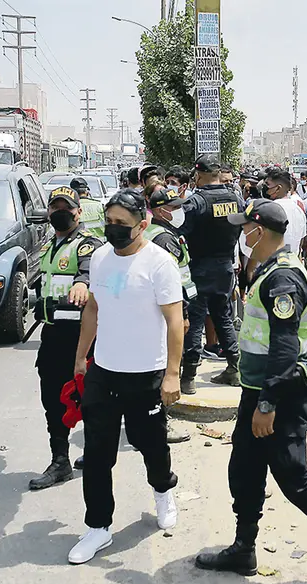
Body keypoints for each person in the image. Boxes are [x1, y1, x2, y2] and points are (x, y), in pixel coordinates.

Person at [194, 199, 307, 579]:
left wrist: (268, 402)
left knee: (292, 474)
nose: (240, 234)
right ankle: (244, 548)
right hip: (258, 387)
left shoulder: (283, 279)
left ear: (259, 232)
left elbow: (285, 347)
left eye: (244, 228)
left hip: (281, 392)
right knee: (244, 467)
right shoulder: (270, 269)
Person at [68, 189, 183, 564]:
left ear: (143, 224)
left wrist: (171, 374)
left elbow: (175, 322)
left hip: (146, 373)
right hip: (104, 371)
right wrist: (82, 356)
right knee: (97, 453)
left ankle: (163, 491)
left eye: (122, 224)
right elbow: (94, 309)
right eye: (110, 223)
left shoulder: (159, 263)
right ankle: (98, 527)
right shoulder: (101, 258)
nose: (114, 230)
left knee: (150, 444)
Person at [28, 186, 103, 490]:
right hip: (53, 336)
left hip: (81, 336)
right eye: (54, 207)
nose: (60, 212)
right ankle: (60, 461)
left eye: (66, 207)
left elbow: (86, 273)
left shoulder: (87, 245)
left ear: (78, 212)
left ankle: (97, 453)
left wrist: (82, 284)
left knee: (91, 399)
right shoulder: (49, 246)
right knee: (52, 399)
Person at [179, 155, 244, 394]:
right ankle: (233, 369)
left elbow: (180, 232)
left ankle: (189, 378)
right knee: (223, 316)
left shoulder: (196, 202)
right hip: (225, 267)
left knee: (195, 320)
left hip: (199, 268)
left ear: (199, 173)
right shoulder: (235, 198)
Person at [144, 184, 201, 444]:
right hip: (169, 313)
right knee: (164, 368)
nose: (180, 211)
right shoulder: (163, 238)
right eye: (174, 207)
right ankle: (160, 424)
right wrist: (184, 315)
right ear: (161, 211)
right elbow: (172, 284)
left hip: (168, 311)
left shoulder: (166, 232)